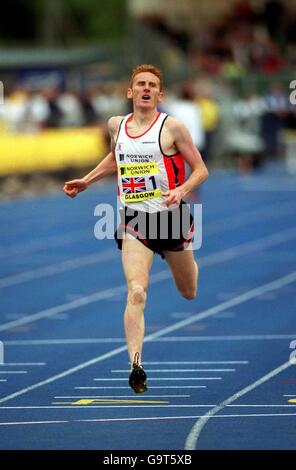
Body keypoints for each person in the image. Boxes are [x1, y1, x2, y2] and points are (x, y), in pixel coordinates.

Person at [63, 64, 208, 393]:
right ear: (130, 92)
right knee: (137, 292)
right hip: (134, 222)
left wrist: (181, 191)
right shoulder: (117, 125)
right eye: (140, 84)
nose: (145, 88)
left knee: (189, 291)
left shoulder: (172, 128)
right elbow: (116, 157)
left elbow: (201, 170)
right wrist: (86, 181)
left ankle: (184, 256)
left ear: (160, 94)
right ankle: (136, 364)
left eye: (152, 85)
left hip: (171, 219)